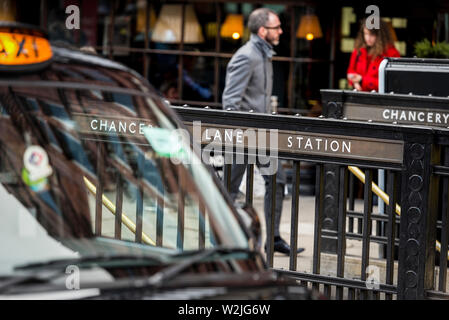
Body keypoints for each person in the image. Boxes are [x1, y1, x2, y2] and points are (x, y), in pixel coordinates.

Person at [222, 8, 304, 256]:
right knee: (229, 188)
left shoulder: (264, 54)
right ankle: (219, 237)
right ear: (262, 31)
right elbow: (230, 101)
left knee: (277, 181)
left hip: (263, 134)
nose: (281, 31)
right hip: (244, 135)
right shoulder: (246, 56)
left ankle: (274, 238)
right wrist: (240, 136)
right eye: (276, 27)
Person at [347, 18, 400, 92]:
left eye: (371, 34)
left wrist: (362, 80)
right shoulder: (359, 49)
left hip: (379, 99)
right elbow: (351, 71)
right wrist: (355, 82)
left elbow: (391, 83)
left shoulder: (391, 54)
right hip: (359, 95)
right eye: (365, 33)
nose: (368, 38)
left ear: (380, 35)